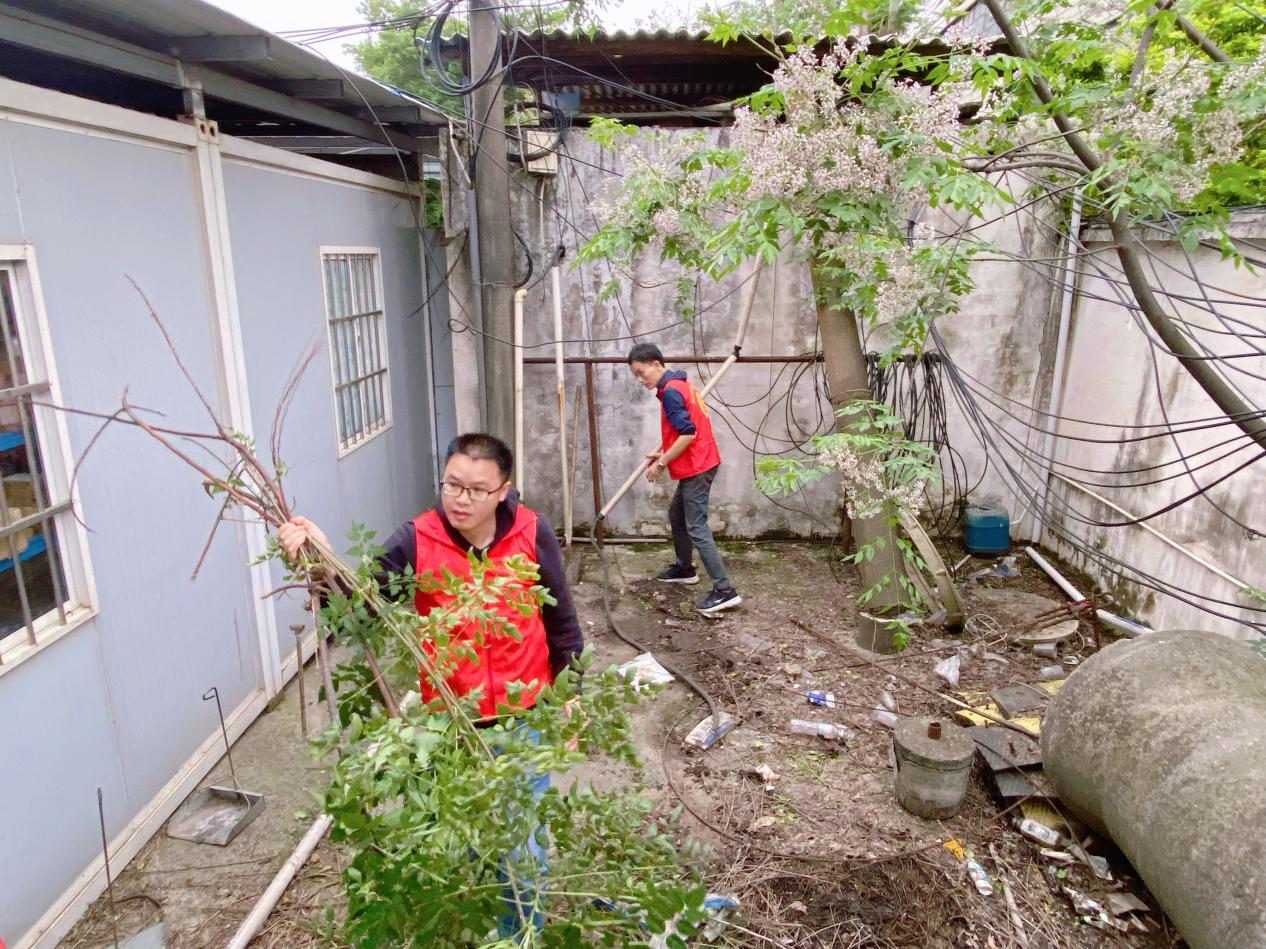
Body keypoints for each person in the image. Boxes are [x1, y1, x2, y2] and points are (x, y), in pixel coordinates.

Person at [277, 432, 583, 939]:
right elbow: (358, 614)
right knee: (475, 842)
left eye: (477, 490)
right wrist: (319, 560)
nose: (461, 499)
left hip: (527, 715)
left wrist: (572, 696)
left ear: (504, 490)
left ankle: (520, 935)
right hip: (452, 723)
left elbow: (562, 623)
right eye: (452, 485)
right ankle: (490, 922)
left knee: (524, 848)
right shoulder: (416, 539)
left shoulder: (532, 532)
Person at [626, 343, 741, 614]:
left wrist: (661, 464)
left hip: (697, 467)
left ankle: (724, 590)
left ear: (656, 364)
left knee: (696, 527)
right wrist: (661, 452)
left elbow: (688, 433)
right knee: (677, 515)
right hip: (700, 462)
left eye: (642, 373)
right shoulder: (678, 386)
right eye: (636, 376)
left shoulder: (671, 393)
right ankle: (684, 568)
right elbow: (682, 430)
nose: (641, 380)